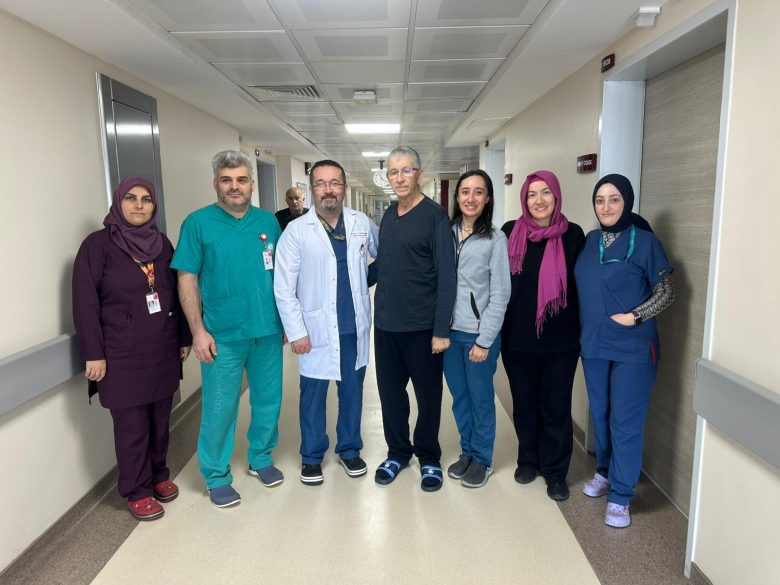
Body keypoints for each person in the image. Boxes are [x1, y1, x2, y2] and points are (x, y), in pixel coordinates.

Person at [72, 177, 192, 521]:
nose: (139, 205)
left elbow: (178, 292)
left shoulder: (162, 244)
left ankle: (158, 475)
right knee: (132, 428)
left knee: (160, 420)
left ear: (154, 206)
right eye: (130, 198)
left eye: (146, 199)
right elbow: (85, 304)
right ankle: (137, 490)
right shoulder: (97, 246)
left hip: (161, 349)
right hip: (120, 356)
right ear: (118, 203)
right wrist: (93, 353)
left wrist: (183, 337)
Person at [172, 150, 285, 508]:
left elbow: (283, 275)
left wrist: (287, 322)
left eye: (241, 179)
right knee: (220, 408)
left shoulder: (268, 222)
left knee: (268, 401)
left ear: (252, 184)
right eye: (226, 180)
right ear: (215, 184)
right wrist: (197, 331)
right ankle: (216, 474)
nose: (234, 186)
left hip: (267, 330)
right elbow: (186, 278)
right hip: (221, 334)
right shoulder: (198, 223)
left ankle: (261, 457)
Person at [574, 173, 675, 528]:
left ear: (627, 202)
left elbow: (667, 291)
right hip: (594, 343)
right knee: (601, 414)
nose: (606, 207)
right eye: (600, 200)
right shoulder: (590, 241)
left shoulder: (645, 242)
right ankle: (604, 472)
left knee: (625, 421)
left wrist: (635, 316)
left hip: (633, 347)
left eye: (614, 199)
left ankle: (620, 495)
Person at [274, 160, 378, 485]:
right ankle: (311, 456)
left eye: (334, 182)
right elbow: (283, 287)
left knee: (352, 393)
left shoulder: (361, 223)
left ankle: (349, 449)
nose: (328, 189)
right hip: (314, 329)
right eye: (321, 183)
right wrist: (296, 332)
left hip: (353, 327)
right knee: (313, 396)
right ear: (312, 190)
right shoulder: (296, 231)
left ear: (344, 187)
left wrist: (367, 278)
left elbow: (385, 254)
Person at [370, 146, 456, 492]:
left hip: (422, 328)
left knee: (428, 396)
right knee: (390, 395)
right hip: (386, 325)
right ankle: (397, 452)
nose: (400, 178)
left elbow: (447, 276)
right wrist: (349, 279)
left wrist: (441, 330)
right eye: (393, 172)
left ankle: (429, 456)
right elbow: (383, 264)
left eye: (406, 170)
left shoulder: (435, 217)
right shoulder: (390, 215)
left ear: (419, 174)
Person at [501, 171, 585, 501]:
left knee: (556, 407)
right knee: (524, 404)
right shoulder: (510, 232)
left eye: (546, 192)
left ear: (556, 196)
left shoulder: (573, 235)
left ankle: (556, 472)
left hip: (561, 342)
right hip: (517, 340)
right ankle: (528, 460)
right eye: (532, 194)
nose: (539, 200)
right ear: (524, 199)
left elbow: (584, 286)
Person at [443, 170, 510, 488]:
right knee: (459, 398)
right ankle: (467, 452)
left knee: (480, 398)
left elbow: (501, 293)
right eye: (465, 191)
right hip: (448, 333)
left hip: (478, 335)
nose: (471, 198)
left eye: (478, 192)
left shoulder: (495, 239)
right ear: (457, 197)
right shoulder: (445, 233)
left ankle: (482, 459)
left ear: (487, 198)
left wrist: (485, 340)